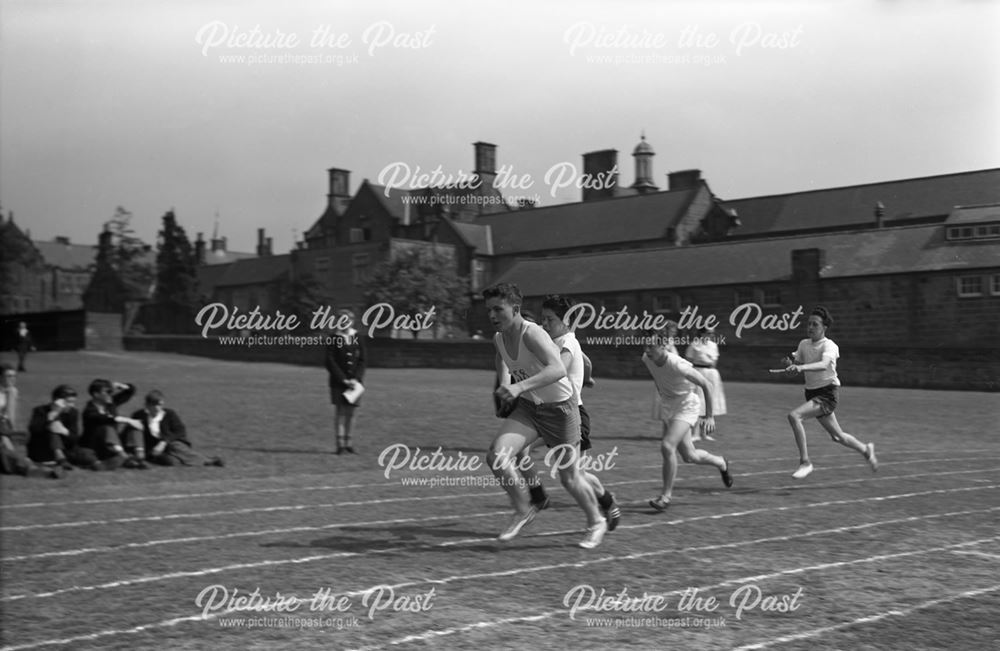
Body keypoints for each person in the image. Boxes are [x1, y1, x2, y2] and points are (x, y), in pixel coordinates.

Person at [484, 283, 607, 549]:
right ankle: (523, 508)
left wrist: (518, 387)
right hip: (529, 409)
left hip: (561, 410)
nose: (492, 315)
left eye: (498, 309)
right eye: (489, 310)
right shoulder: (499, 337)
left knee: (570, 478)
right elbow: (502, 361)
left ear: (515, 309)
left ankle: (597, 520)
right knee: (496, 456)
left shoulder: (533, 334)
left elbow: (557, 371)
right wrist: (505, 385)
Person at [518, 295, 621, 531]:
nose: (544, 323)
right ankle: (538, 495)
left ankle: (606, 503)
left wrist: (522, 385)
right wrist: (588, 375)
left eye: (550, 319)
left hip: (569, 414)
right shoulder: (555, 340)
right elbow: (585, 359)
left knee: (575, 476)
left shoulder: (567, 342)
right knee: (520, 450)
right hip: (546, 413)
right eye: (542, 318)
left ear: (566, 320)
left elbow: (559, 368)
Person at [781, 306, 878, 479]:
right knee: (838, 437)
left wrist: (800, 367)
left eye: (815, 324)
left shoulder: (830, 346)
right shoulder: (803, 344)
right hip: (811, 393)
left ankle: (805, 462)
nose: (810, 327)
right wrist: (790, 365)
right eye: (809, 324)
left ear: (824, 327)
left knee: (794, 416)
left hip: (827, 394)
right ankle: (866, 449)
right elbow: (796, 366)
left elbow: (823, 365)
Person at [643, 331, 734, 511]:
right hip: (670, 407)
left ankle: (666, 497)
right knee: (689, 456)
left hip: (687, 406)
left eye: (651, 346)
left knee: (667, 446)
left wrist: (709, 416)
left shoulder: (678, 364)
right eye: (645, 346)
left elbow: (707, 385)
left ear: (663, 346)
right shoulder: (647, 358)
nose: (647, 350)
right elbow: (661, 378)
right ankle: (721, 462)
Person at [125, 390, 224, 467]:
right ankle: (184, 461)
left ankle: (208, 461)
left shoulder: (169, 414)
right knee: (171, 462)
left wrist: (164, 442)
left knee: (176, 446)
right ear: (147, 405)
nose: (158, 408)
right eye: (154, 405)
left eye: (160, 405)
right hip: (153, 449)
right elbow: (130, 431)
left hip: (171, 443)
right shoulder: (139, 415)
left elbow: (180, 431)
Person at [0, 364, 62, 479]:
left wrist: (10, 435)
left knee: (8, 453)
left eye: (14, 376)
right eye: (8, 376)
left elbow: (10, 417)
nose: (12, 379)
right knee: (5, 453)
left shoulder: (11, 391)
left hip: (3, 427)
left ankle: (33, 465)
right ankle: (35, 469)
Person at [27, 384, 101, 470]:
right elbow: (34, 430)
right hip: (44, 449)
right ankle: (61, 459)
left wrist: (64, 431)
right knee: (53, 427)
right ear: (57, 401)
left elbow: (74, 438)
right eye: (69, 402)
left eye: (73, 402)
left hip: (66, 449)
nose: (72, 405)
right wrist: (51, 416)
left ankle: (99, 464)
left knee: (88, 454)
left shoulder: (73, 412)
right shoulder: (40, 411)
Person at [324, 309, 367, 454]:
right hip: (338, 382)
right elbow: (329, 361)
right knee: (341, 412)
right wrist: (343, 379)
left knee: (352, 413)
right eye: (342, 320)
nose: (345, 323)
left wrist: (356, 378)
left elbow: (363, 360)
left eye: (347, 320)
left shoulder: (358, 337)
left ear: (352, 321)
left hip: (355, 383)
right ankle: (340, 444)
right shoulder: (333, 337)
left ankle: (349, 442)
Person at [81, 379, 145, 469]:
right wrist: (128, 420)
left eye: (111, 391)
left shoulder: (110, 403)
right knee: (107, 427)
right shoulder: (89, 411)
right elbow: (107, 419)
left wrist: (122, 386)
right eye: (107, 392)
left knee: (134, 425)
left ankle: (139, 456)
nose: (110, 394)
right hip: (99, 446)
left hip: (114, 443)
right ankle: (125, 458)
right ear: (96, 394)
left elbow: (130, 391)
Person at [685, 325, 727, 442]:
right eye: (709, 333)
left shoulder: (713, 346)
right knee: (699, 402)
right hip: (699, 372)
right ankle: (695, 433)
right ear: (702, 334)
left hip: (711, 374)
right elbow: (688, 362)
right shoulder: (694, 345)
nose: (712, 336)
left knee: (708, 402)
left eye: (712, 333)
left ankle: (704, 433)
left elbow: (714, 362)